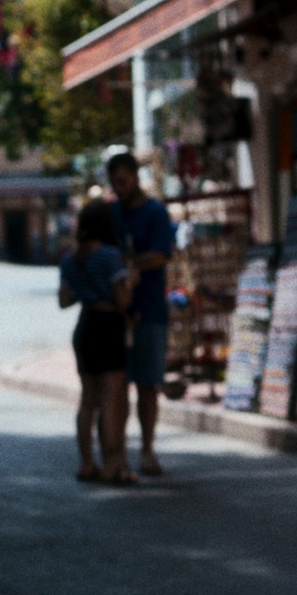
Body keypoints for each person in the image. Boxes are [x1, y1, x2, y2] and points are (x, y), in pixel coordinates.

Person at [106, 151, 177, 477]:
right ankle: (116, 453)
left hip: (149, 310)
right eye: (114, 183)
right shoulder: (111, 213)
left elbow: (162, 254)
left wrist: (131, 264)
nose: (119, 188)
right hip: (116, 313)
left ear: (135, 177)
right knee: (116, 386)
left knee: (148, 385)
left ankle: (148, 450)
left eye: (123, 181)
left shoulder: (155, 212)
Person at [56, 202, 134, 484]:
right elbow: (122, 299)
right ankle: (113, 465)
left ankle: (87, 463)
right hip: (108, 326)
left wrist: (85, 289)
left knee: (88, 399)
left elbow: (64, 300)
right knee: (111, 398)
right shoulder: (110, 256)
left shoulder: (70, 259)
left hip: (85, 326)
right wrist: (131, 281)